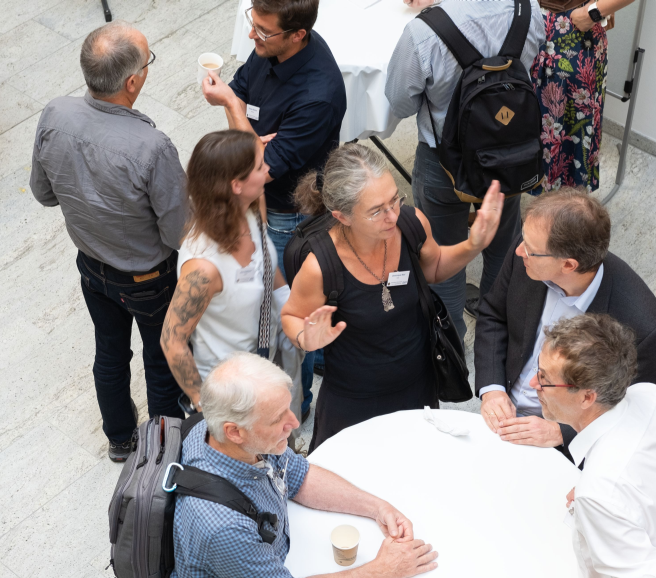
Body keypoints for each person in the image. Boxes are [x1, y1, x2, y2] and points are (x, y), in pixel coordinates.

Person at [30, 22, 187, 462]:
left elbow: (43, 194)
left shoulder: (54, 114)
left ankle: (120, 439)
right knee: (161, 364)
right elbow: (178, 233)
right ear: (132, 82)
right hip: (149, 281)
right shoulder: (152, 147)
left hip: (91, 268)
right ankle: (162, 457)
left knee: (110, 353)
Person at [282, 144, 504, 452]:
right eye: (376, 211)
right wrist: (306, 338)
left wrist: (473, 245)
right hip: (354, 399)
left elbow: (434, 267)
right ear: (342, 216)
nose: (392, 216)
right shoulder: (320, 266)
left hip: (418, 384)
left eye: (395, 200)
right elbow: (291, 316)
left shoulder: (411, 224)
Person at [201, 0, 346, 420]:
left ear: (298, 34)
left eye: (263, 31)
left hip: (290, 216)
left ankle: (297, 408)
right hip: (264, 203)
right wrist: (249, 132)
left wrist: (235, 111)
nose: (252, 36)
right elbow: (242, 90)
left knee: (288, 317)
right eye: (254, 24)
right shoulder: (270, 48)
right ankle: (322, 356)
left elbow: (257, 171)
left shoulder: (318, 95)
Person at [172, 352, 438, 578]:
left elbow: (299, 475)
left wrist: (378, 507)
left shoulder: (224, 432)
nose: (295, 423)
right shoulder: (223, 527)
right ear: (234, 432)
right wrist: (382, 570)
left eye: (288, 408)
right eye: (277, 419)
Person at [385, 0, 545, 333]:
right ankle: (494, 333)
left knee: (442, 256)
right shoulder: (528, 10)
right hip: (508, 155)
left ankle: (452, 344)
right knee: (504, 245)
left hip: (443, 163)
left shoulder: (423, 32)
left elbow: (400, 103)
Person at [475, 188, 656, 460]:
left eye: (529, 249)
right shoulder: (531, 249)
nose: (519, 251)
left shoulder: (641, 325)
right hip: (502, 417)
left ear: (568, 265)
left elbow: (640, 415)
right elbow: (494, 315)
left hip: (568, 452)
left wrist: (562, 433)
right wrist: (492, 390)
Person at [532, 314, 656, 578]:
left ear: (587, 397)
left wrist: (605, 496)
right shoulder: (653, 395)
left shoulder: (599, 492)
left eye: (544, 378)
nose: (533, 384)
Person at [160, 130, 294, 415]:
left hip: (266, 365)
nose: (267, 169)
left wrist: (296, 317)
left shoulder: (252, 207)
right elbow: (172, 340)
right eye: (260, 166)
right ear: (236, 185)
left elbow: (268, 268)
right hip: (232, 393)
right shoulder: (203, 267)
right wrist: (203, 404)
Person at [531, 0, 636, 193]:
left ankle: (564, 207)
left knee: (569, 130)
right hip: (530, 21)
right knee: (529, 116)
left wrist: (593, 12)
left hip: (572, 31)